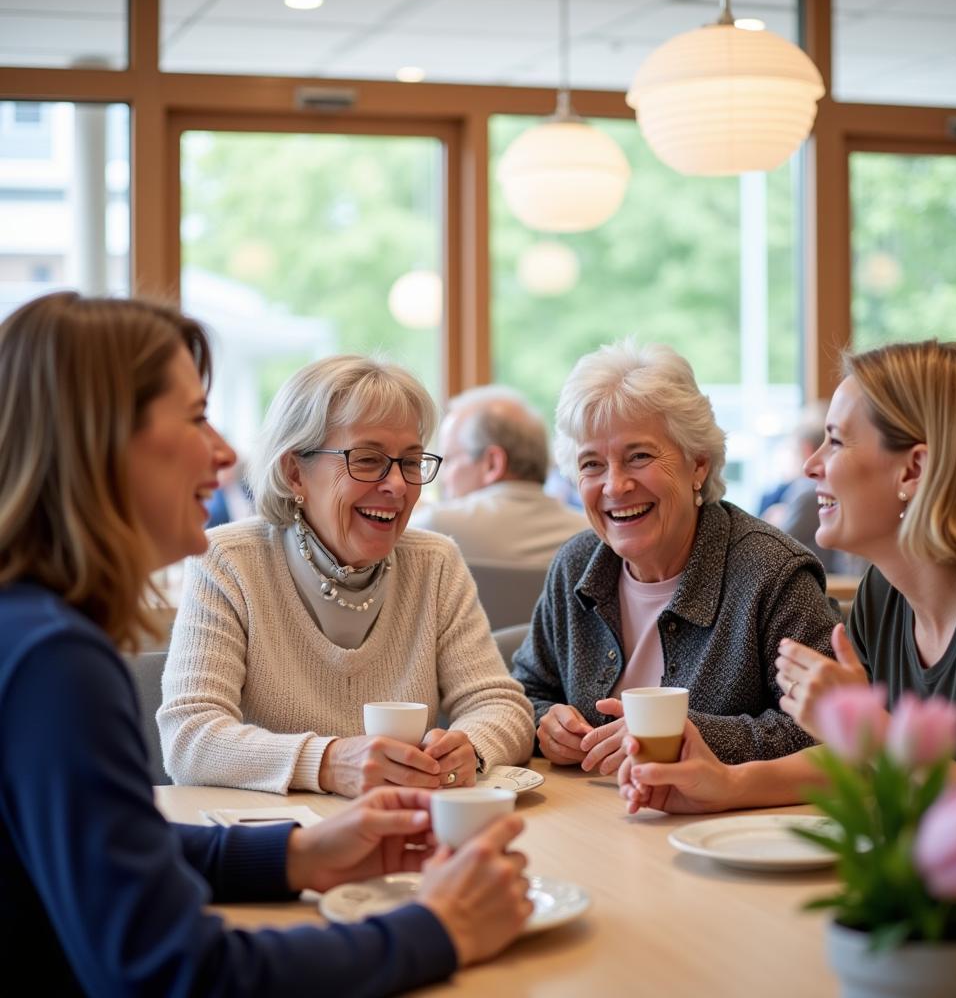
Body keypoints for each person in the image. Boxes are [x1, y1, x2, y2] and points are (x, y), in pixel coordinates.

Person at [0, 292, 532, 995]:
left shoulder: (31, 632)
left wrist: (298, 855)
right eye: (196, 418)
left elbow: (115, 847)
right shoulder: (54, 661)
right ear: (98, 441)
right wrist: (440, 928)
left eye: (410, 461)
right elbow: (179, 974)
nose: (224, 453)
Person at [619, 340, 956, 814]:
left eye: (836, 441)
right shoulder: (885, 589)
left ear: (913, 469)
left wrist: (872, 730)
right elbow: (857, 763)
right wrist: (725, 783)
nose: (811, 467)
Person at [159, 356, 535, 797]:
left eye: (410, 462)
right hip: (281, 842)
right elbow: (190, 737)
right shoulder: (228, 561)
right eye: (369, 459)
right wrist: (330, 763)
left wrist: (469, 748)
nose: (397, 484)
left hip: (409, 830)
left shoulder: (435, 563)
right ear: (293, 472)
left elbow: (501, 706)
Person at [511, 339, 839, 775]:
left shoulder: (772, 574)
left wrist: (675, 735)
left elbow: (825, 732)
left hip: (726, 832)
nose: (614, 486)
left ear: (698, 464)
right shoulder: (576, 565)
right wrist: (544, 723)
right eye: (592, 464)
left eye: (639, 456)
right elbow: (526, 691)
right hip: (593, 822)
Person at [411, 384, 588, 566]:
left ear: (493, 464)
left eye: (448, 460)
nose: (442, 476)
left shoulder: (434, 527)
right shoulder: (590, 535)